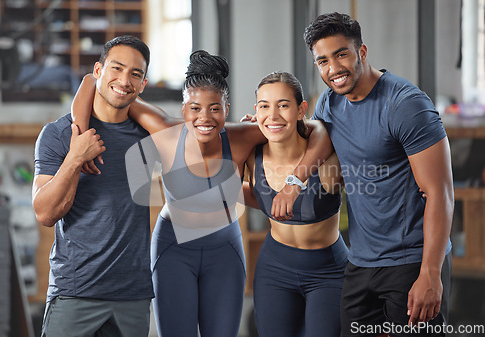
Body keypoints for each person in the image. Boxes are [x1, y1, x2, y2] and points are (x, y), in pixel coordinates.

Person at [72, 50, 333, 337]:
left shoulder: (244, 134)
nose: (204, 118)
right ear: (183, 109)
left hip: (225, 252)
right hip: (173, 250)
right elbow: (90, 82)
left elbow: (319, 130)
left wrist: (294, 182)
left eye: (214, 109)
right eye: (195, 109)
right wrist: (79, 136)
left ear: (227, 109)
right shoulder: (164, 130)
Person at [303, 12, 454, 337]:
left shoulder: (405, 104)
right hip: (361, 262)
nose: (333, 69)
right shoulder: (329, 105)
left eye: (341, 54)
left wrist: (430, 272)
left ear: (362, 52)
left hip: (412, 261)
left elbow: (440, 193)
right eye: (323, 61)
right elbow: (303, 143)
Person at [32, 35, 167, 337]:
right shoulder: (57, 134)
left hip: (132, 295)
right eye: (116, 68)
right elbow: (44, 213)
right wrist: (75, 157)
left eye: (135, 73)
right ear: (97, 72)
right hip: (75, 291)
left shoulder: (148, 138)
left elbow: (195, 140)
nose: (124, 80)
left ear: (143, 84)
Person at [243, 71, 348, 337]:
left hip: (328, 272)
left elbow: (328, 132)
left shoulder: (326, 159)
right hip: (274, 268)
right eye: (265, 106)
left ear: (301, 110)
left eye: (283, 105)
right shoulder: (250, 156)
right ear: (256, 110)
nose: (273, 115)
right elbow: (248, 194)